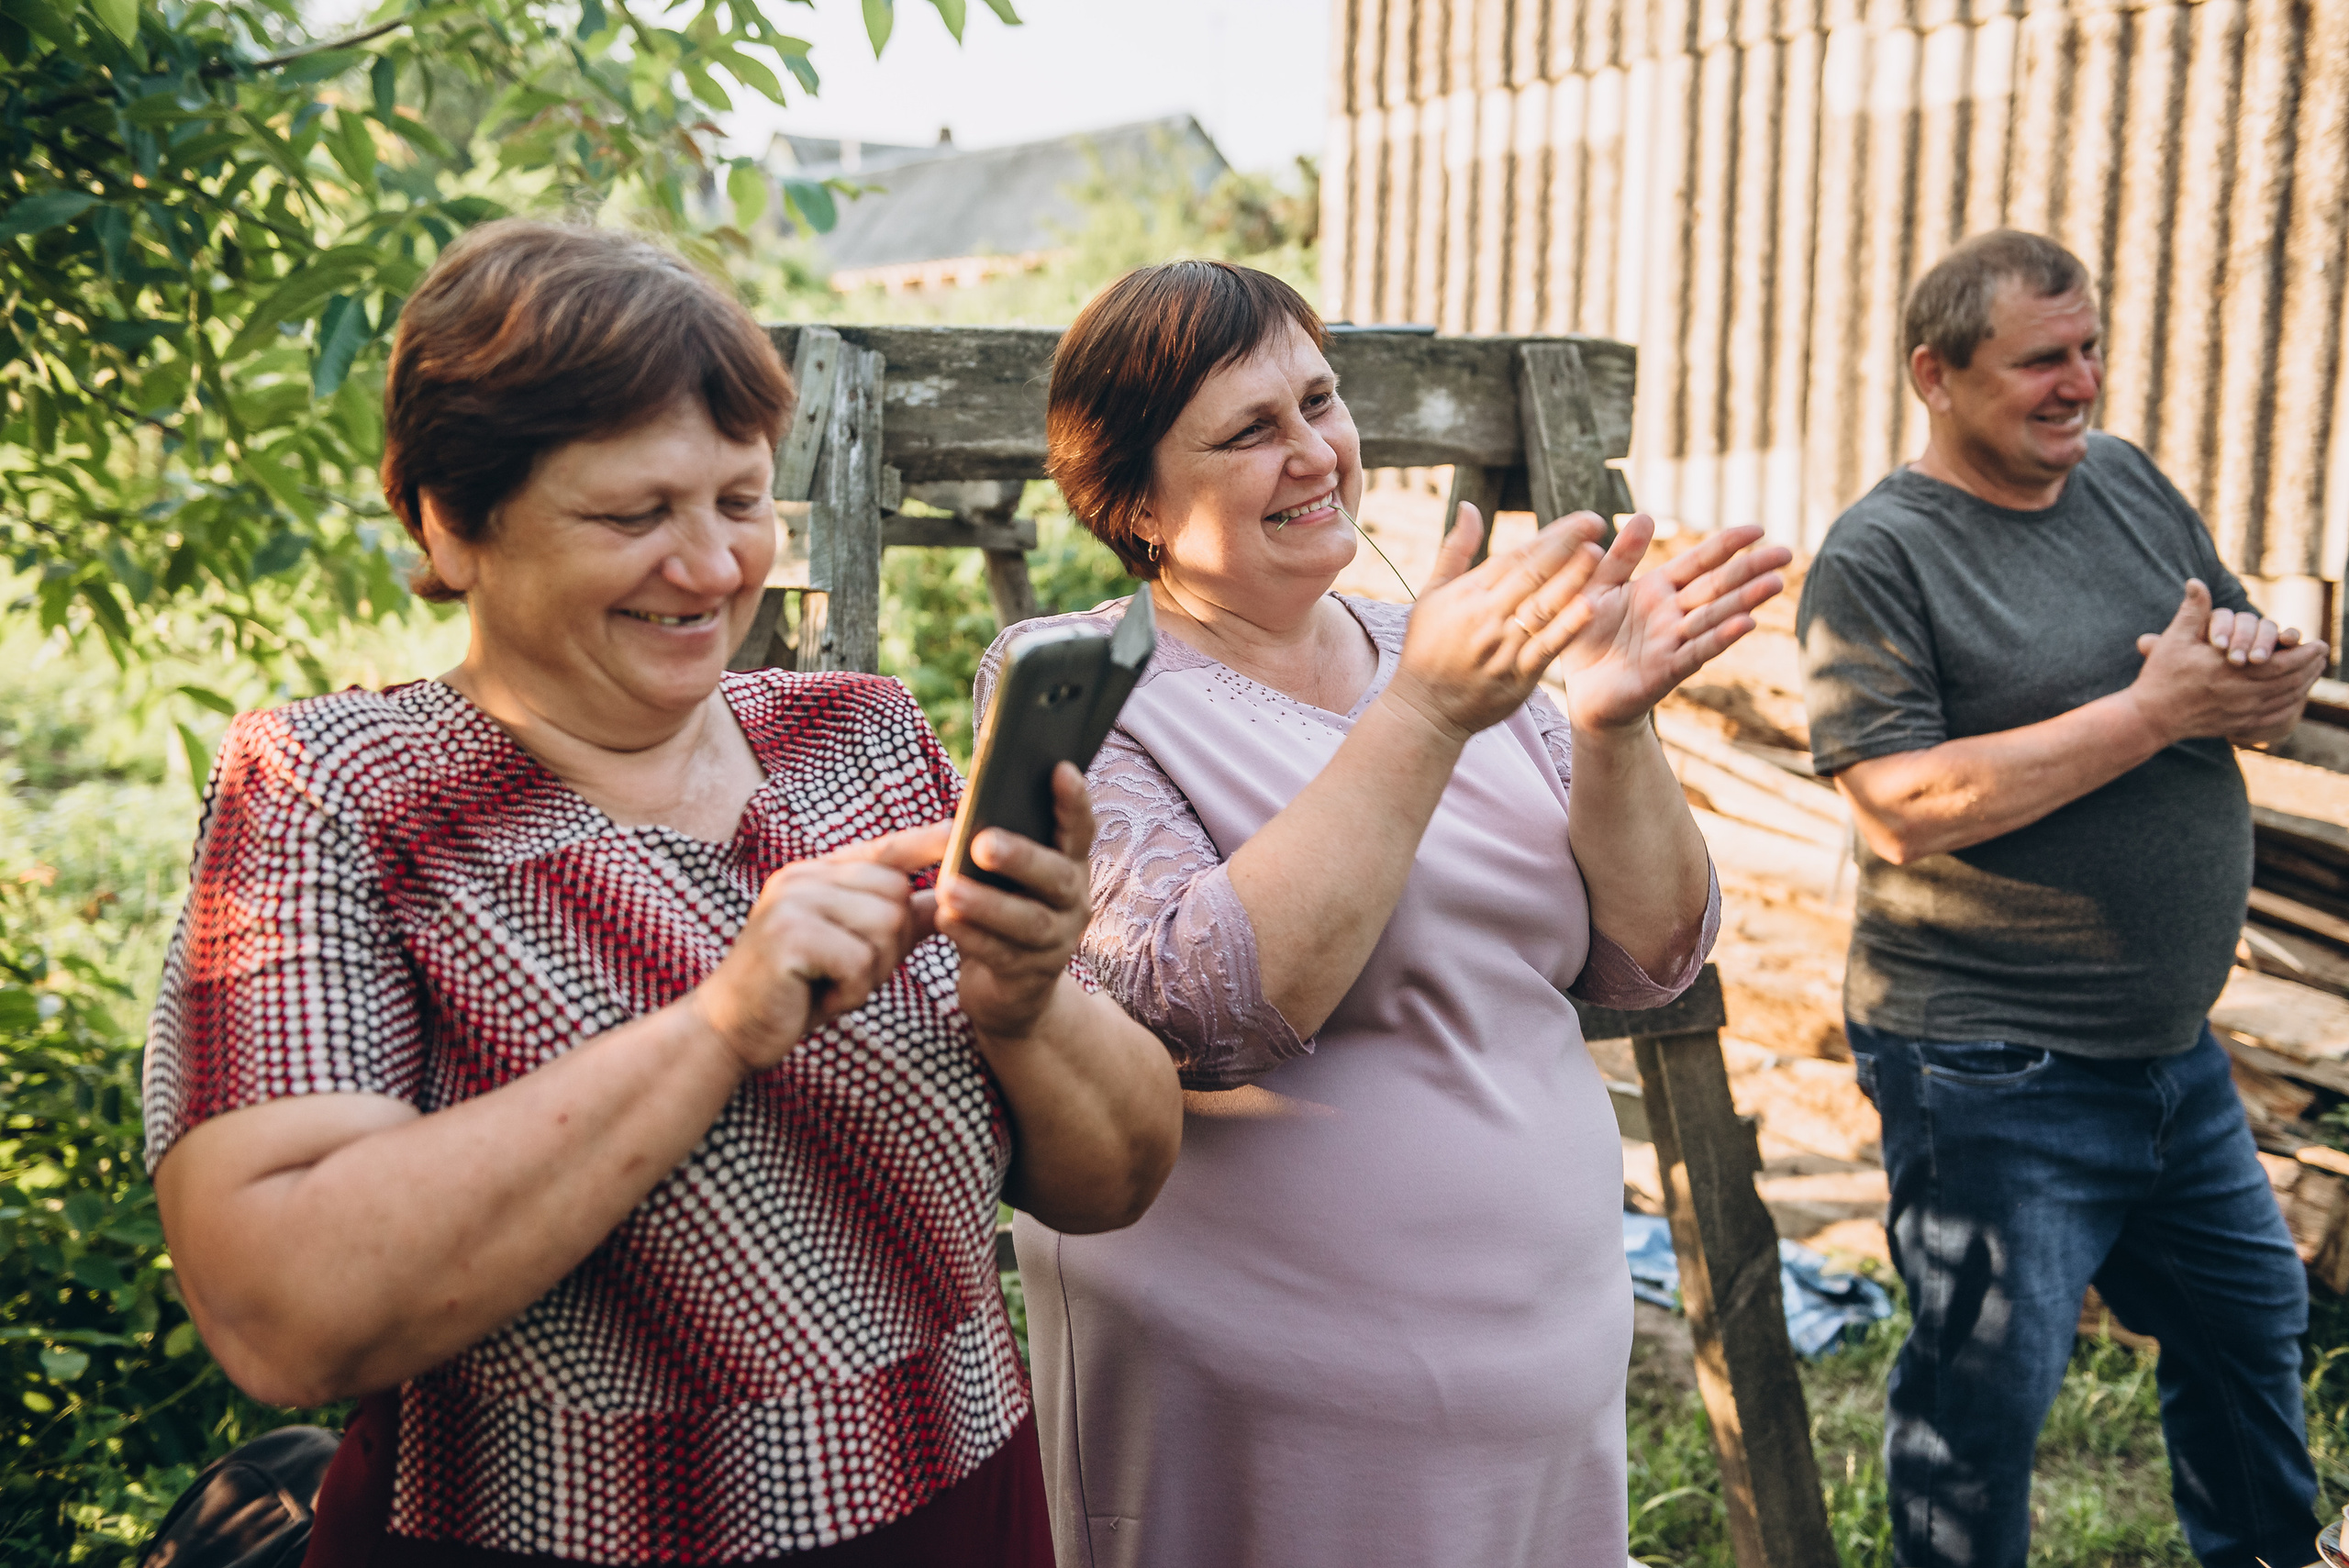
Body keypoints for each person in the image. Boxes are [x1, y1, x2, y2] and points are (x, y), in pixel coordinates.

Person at [140, 219, 1181, 1567]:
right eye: (634, 513)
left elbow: (1122, 1174)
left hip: (960, 1511)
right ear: (451, 521)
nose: (709, 568)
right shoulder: (336, 789)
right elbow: (279, 1308)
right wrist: (716, 1027)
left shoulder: (860, 735)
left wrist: (1033, 1002)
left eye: (739, 502)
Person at [987, 259, 1791, 1568]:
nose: (1314, 454)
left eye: (1320, 400)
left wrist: (1609, 721)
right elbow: (1200, 1011)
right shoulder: (1079, 679)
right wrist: (1421, 717)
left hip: (1541, 1362)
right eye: (1250, 429)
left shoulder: (1434, 637)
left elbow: (1650, 955)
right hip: (1273, 1404)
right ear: (1132, 496)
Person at [1796, 229, 2332, 1568]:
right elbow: (1897, 805)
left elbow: (2228, 662)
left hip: (2168, 1052)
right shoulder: (1882, 554)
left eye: (2089, 348)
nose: (2078, 382)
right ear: (1936, 372)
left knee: (2248, 1321)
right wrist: (2154, 714)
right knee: (1986, 1397)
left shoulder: (2128, 486)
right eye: (2042, 359)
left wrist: (2267, 671)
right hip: (1990, 1060)